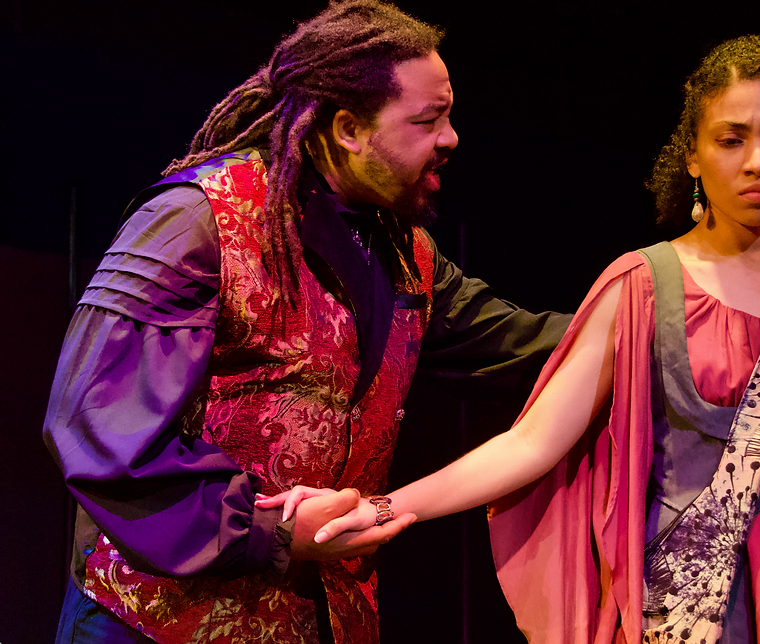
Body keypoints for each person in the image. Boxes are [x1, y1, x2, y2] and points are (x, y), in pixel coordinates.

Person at [269, 35, 760, 643]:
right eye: (732, 139)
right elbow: (532, 441)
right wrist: (386, 509)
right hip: (701, 599)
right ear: (693, 152)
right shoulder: (643, 287)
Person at [42, 2, 571, 643]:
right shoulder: (197, 222)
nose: (451, 138)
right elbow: (98, 427)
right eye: (428, 120)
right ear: (349, 127)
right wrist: (272, 532)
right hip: (157, 624)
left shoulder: (405, 256)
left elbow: (523, 345)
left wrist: (662, 311)